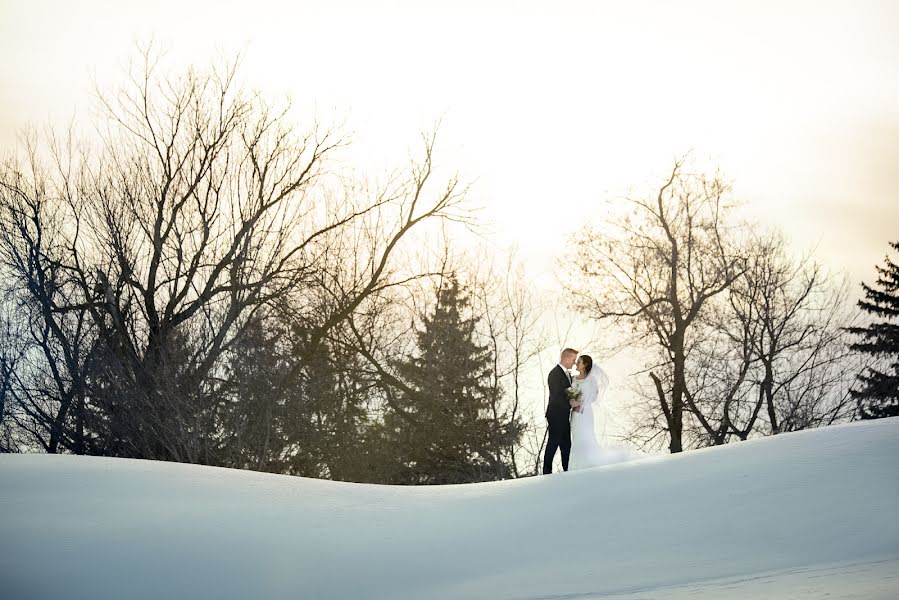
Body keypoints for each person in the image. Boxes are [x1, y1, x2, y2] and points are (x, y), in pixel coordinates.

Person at [543, 348, 579, 474]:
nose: (574, 363)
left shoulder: (567, 374)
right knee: (553, 443)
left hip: (564, 415)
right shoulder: (554, 373)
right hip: (556, 414)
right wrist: (570, 401)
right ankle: (546, 472)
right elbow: (556, 395)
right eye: (574, 360)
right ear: (566, 358)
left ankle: (567, 471)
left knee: (566, 445)